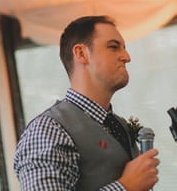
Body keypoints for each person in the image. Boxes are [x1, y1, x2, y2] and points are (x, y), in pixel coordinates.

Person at [14, 15, 159, 191]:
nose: (127, 57)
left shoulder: (119, 125)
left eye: (124, 48)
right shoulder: (48, 129)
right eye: (114, 47)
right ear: (81, 54)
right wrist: (125, 187)